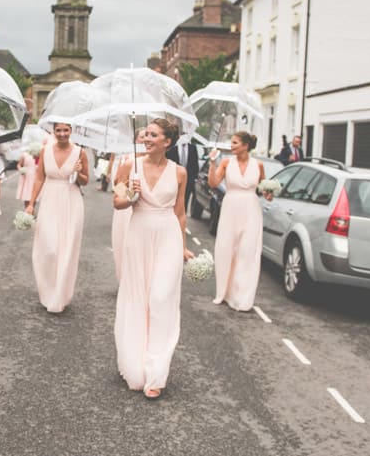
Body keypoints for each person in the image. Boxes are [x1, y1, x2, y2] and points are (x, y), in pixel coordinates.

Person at [113, 118, 194, 399]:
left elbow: (180, 211)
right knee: (138, 298)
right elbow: (117, 202)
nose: (147, 138)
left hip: (168, 236)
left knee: (161, 299)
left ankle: (157, 372)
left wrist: (183, 247)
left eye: (153, 135)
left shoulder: (180, 172)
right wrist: (132, 195)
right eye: (146, 134)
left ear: (167, 142)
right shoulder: (129, 165)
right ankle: (135, 363)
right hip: (139, 234)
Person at [24, 122, 89, 313]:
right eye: (58, 130)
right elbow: (38, 178)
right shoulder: (45, 151)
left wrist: (78, 172)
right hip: (50, 200)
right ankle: (47, 291)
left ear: (71, 131)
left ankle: (61, 295)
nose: (62, 134)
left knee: (67, 249)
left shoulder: (80, 153)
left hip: (72, 201)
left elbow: (85, 181)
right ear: (53, 132)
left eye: (65, 130)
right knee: (49, 248)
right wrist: (30, 203)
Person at [209, 131, 273, 312]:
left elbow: (263, 189)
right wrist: (212, 163)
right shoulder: (226, 162)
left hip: (251, 209)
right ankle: (224, 292)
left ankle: (242, 297)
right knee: (226, 248)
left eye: (235, 143)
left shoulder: (258, 165)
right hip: (230, 208)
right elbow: (213, 183)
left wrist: (269, 193)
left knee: (247, 252)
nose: (232, 146)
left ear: (246, 145)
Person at [110, 128, 146, 282]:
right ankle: (125, 278)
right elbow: (116, 185)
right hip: (126, 210)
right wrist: (132, 195)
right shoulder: (127, 159)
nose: (145, 140)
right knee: (124, 244)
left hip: (145, 212)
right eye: (142, 137)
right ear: (135, 140)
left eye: (149, 136)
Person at [166, 134, 199, 210]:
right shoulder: (173, 148)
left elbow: (195, 164)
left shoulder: (192, 148)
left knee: (185, 200)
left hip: (188, 180)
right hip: (173, 178)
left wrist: (193, 179)